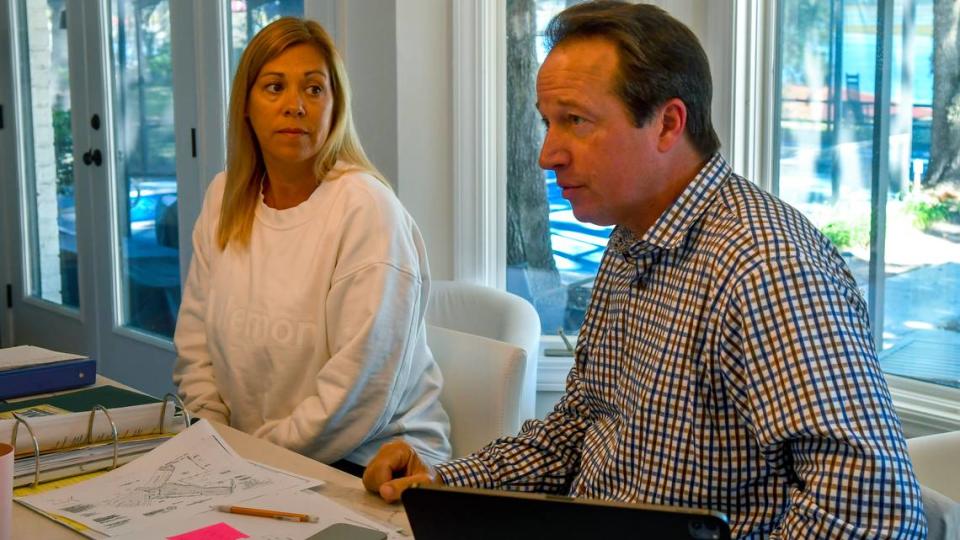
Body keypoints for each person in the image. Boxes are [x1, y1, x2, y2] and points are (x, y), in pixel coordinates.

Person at [363, 2, 927, 536]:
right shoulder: (632, 236)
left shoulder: (766, 267)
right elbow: (579, 427)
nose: (547, 154)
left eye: (576, 121)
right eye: (548, 123)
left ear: (667, 124)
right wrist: (443, 484)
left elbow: (873, 510)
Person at [173, 17, 451, 474]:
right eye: (274, 87)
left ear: (335, 107)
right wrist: (214, 439)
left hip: (370, 458)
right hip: (249, 455)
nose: (295, 106)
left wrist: (250, 455)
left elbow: (358, 393)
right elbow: (195, 344)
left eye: (314, 89)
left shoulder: (366, 209)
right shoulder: (224, 198)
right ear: (245, 104)